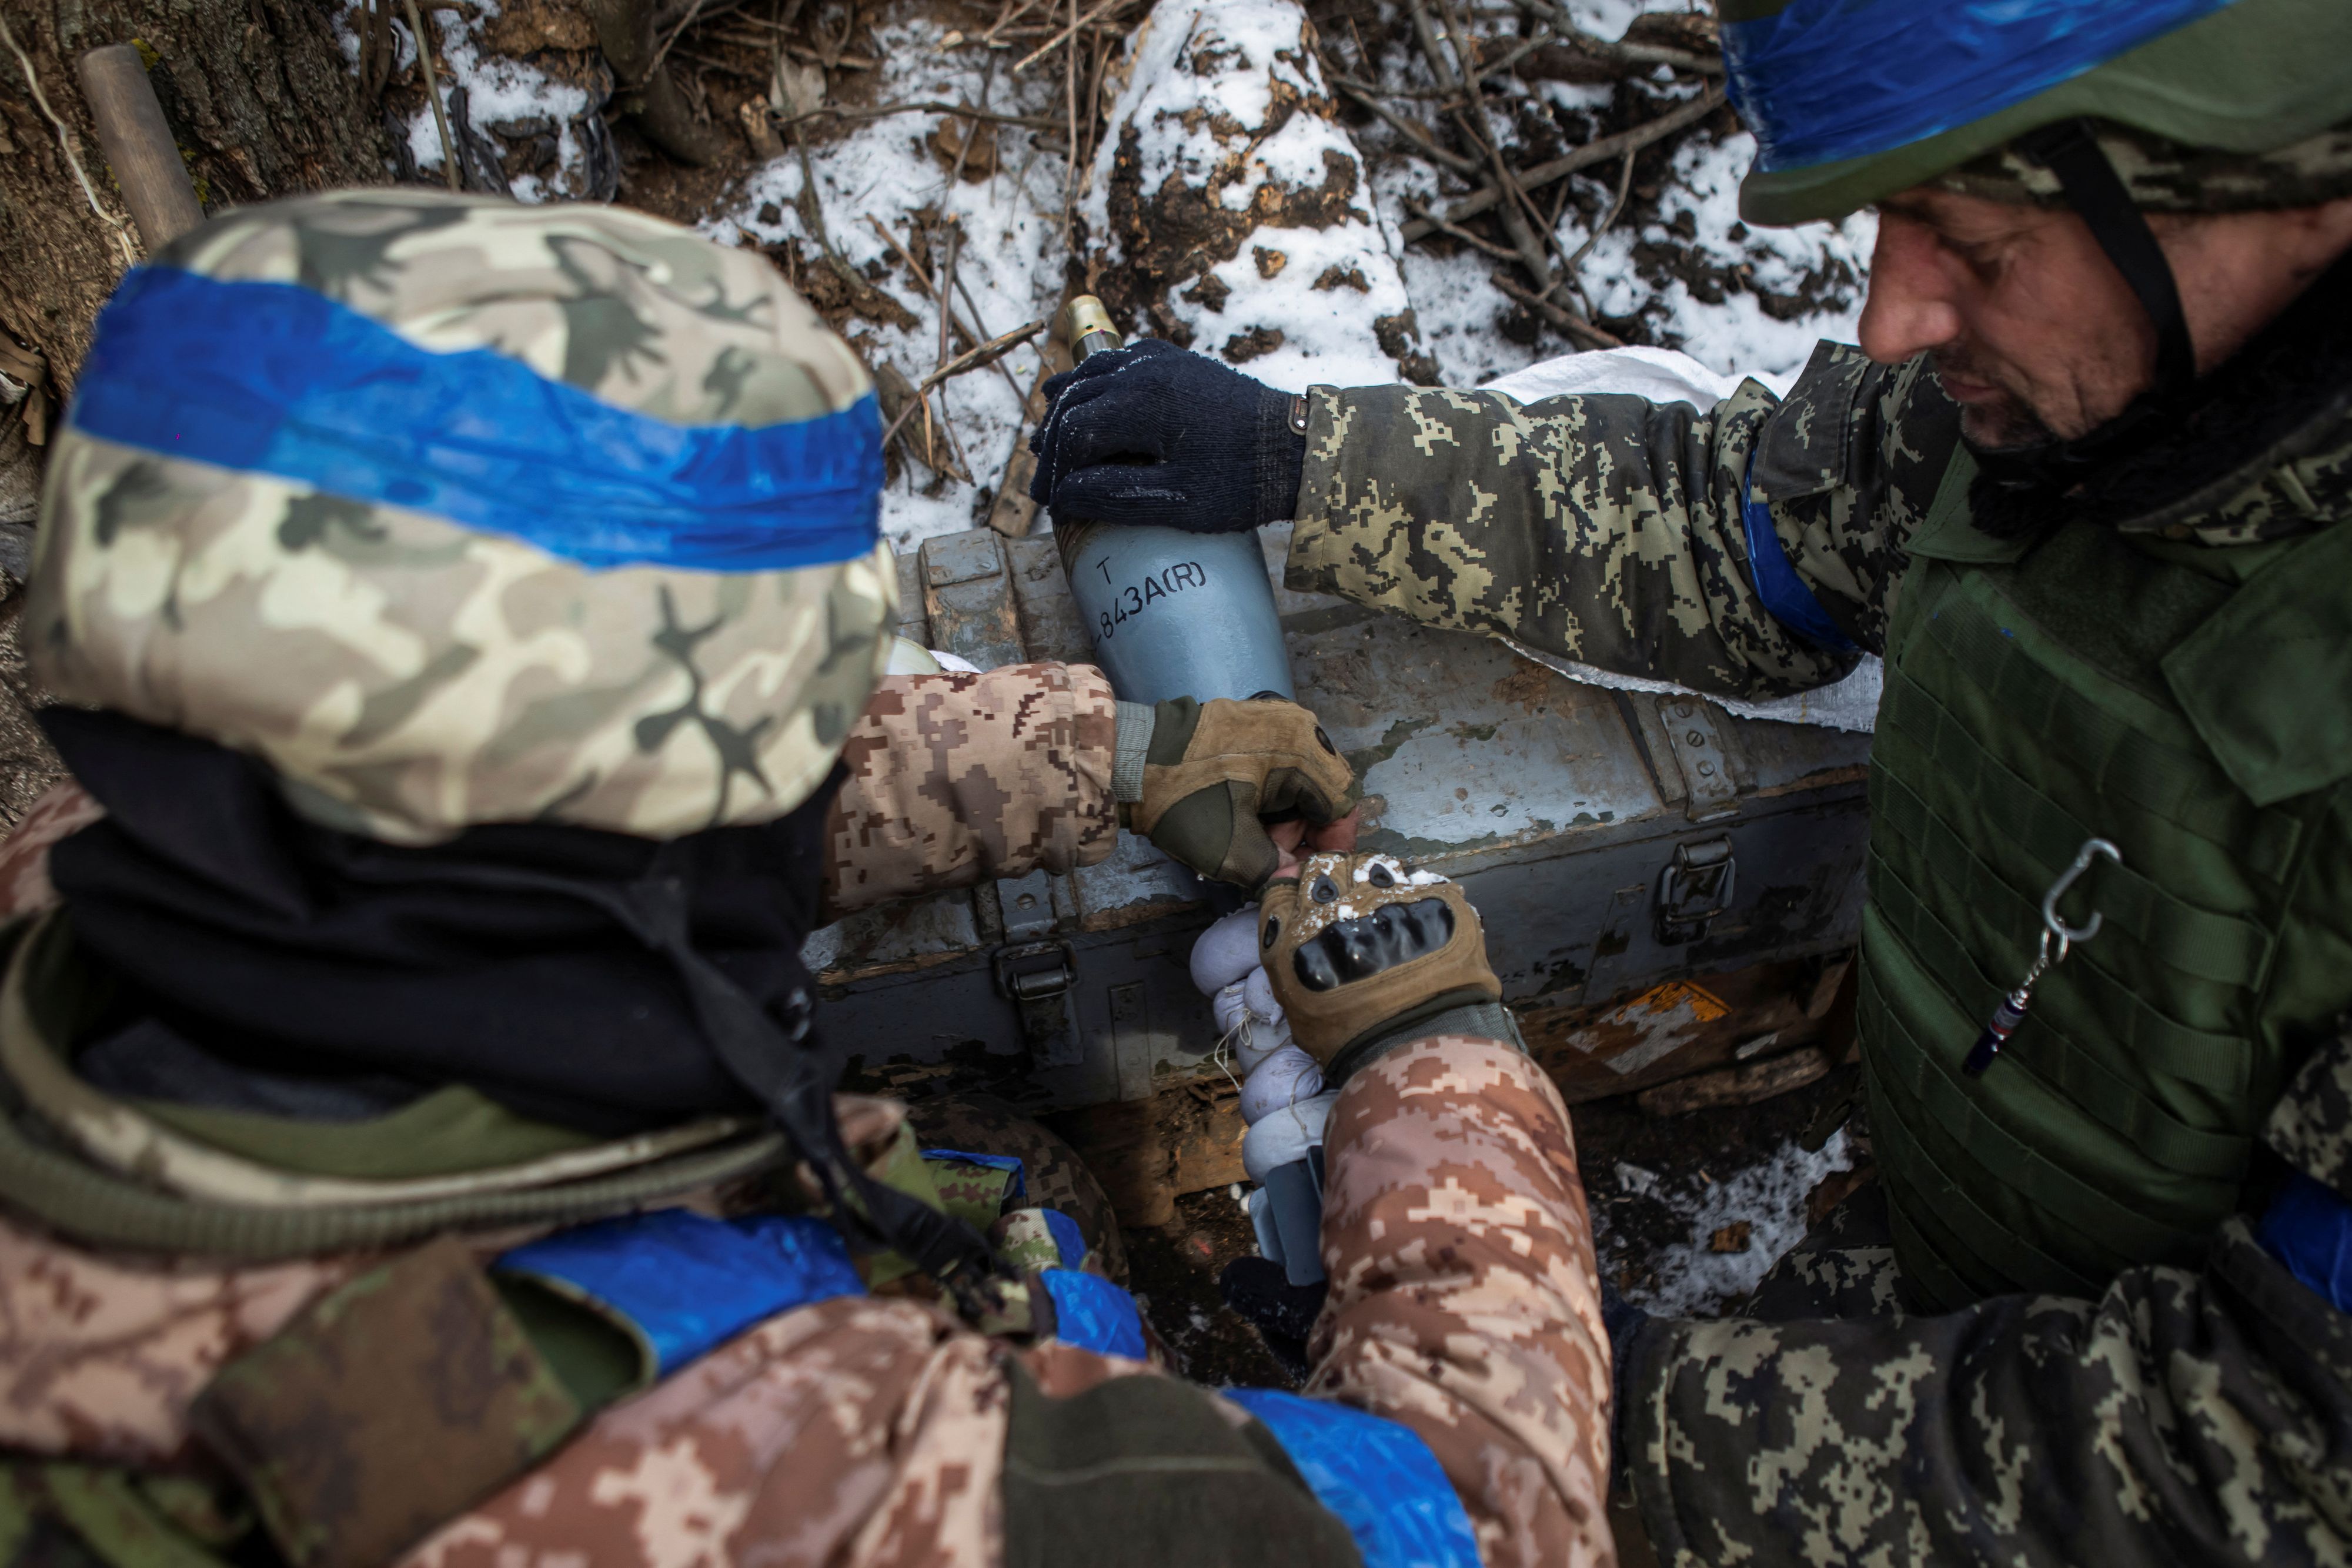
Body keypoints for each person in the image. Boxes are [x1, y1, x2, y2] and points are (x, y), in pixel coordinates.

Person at [0, 189, 1615, 1568]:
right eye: (793, 732)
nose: (820, 757)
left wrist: (1101, 757)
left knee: (1013, 1171)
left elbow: (574, 820)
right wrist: (1438, 1060)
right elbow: (1477, 1524)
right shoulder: (776, 1472)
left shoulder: (115, 863)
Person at [1026, 0, 2352, 1559]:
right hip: (1945, 1272)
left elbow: (2268, 1461)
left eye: (1979, 248)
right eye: (1891, 223)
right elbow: (1745, 523)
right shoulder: (2082, 399)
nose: (1889, 317)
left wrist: (1610, 1403)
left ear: (2294, 198)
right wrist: (1309, 461)